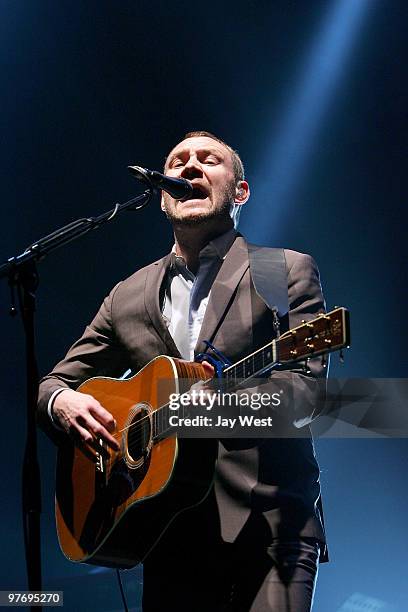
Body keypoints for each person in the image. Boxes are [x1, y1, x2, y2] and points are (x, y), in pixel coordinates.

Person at [37, 131, 328, 611]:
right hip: (165, 530)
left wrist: (203, 412)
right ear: (161, 197)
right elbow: (54, 382)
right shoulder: (128, 294)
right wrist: (61, 401)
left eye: (208, 159)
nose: (189, 167)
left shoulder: (284, 270)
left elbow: (302, 396)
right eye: (178, 161)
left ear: (240, 192)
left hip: (269, 526)